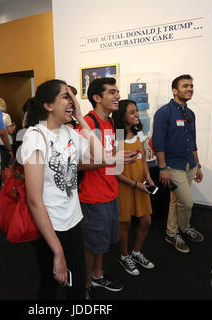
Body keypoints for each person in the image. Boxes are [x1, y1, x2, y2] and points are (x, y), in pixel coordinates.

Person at [20, 79, 105, 300]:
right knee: (50, 285)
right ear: (48, 105)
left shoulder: (68, 133)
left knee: (75, 285)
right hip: (50, 226)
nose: (72, 101)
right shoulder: (35, 137)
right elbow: (34, 200)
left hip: (73, 220)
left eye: (73, 97)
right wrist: (57, 250)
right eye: (66, 96)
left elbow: (102, 157)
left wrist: (80, 118)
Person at [76, 77, 139, 299]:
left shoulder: (112, 123)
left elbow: (113, 159)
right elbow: (77, 164)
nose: (117, 96)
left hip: (110, 193)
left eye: (117, 91)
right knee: (92, 243)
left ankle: (98, 275)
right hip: (93, 197)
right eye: (111, 92)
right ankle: (85, 285)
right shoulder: (87, 123)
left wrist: (122, 161)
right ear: (96, 98)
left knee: (102, 243)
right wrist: (112, 160)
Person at [152, 74, 204, 254]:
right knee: (187, 202)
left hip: (189, 164)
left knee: (176, 201)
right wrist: (162, 168)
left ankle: (172, 232)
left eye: (191, 86)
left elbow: (193, 142)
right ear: (175, 91)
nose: (189, 89)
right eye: (185, 86)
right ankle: (184, 227)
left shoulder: (190, 114)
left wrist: (198, 165)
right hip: (173, 166)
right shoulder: (163, 113)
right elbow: (158, 143)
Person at [112, 100, 155, 276]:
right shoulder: (117, 137)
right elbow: (113, 171)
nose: (137, 114)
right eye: (132, 112)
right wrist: (135, 184)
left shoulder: (139, 134)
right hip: (125, 186)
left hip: (140, 185)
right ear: (122, 116)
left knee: (146, 221)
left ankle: (136, 252)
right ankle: (124, 256)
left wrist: (148, 177)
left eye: (136, 111)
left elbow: (143, 160)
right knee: (125, 224)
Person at [0, 97, 15, 174]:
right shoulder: (6, 116)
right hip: (7, 143)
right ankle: (8, 180)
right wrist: (13, 127)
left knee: (0, 163)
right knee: (9, 162)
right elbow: (10, 131)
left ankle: (2, 181)